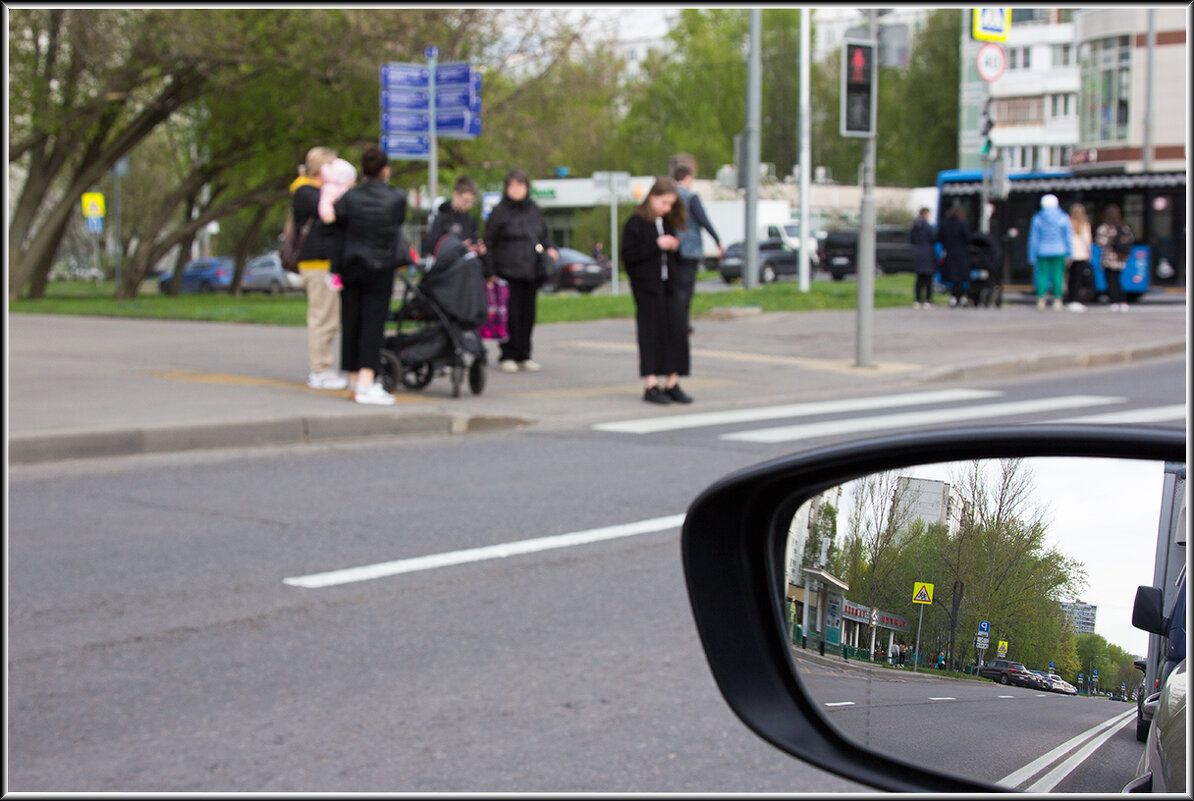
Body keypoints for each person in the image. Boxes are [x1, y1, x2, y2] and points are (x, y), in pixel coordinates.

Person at [324, 145, 407, 406]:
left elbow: (338, 231)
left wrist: (334, 268)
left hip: (351, 265)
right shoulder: (396, 198)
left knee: (351, 321)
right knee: (373, 324)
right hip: (380, 267)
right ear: (385, 170)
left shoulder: (349, 198)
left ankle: (351, 378)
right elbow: (396, 228)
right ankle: (367, 381)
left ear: (362, 170)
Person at [621, 176, 692, 405]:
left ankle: (672, 381)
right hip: (647, 287)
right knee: (650, 333)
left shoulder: (668, 222)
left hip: (670, 284)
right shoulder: (636, 222)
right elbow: (629, 255)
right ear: (652, 198)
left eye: (671, 204)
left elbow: (677, 256)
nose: (667, 208)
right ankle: (650, 384)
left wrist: (673, 246)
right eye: (664, 203)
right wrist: (656, 245)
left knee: (677, 330)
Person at [481, 168, 557, 373]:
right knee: (510, 315)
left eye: (520, 185)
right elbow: (488, 241)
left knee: (527, 315)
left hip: (531, 271)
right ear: (507, 188)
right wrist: (490, 271)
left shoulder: (534, 210)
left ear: (526, 187)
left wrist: (550, 249)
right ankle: (508, 354)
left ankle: (524, 354)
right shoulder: (500, 212)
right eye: (512, 185)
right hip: (507, 271)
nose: (516, 189)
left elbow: (544, 236)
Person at [291, 146, 349, 390]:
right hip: (317, 263)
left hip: (329, 264)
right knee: (322, 316)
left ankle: (324, 366)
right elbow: (333, 209)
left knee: (333, 316)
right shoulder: (306, 191)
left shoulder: (318, 190)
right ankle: (320, 370)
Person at [671, 160, 723, 335]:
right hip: (690, 249)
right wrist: (717, 240)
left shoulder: (669, 196)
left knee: (674, 287)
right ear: (687, 178)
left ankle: (673, 320)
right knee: (686, 289)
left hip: (672, 249)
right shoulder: (690, 198)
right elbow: (703, 220)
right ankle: (682, 322)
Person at [1027, 193, 1072, 310]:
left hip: (1042, 250)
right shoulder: (1063, 217)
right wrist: (1070, 253)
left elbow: (1034, 239)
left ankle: (1041, 299)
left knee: (1042, 275)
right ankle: (1057, 300)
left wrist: (1032, 256)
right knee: (1058, 275)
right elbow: (1068, 237)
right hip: (1060, 250)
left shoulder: (1037, 218)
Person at [424, 175, 486, 258]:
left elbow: (472, 243)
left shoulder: (471, 220)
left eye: (471, 202)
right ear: (456, 194)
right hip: (448, 268)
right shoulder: (442, 216)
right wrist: (459, 247)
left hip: (466, 266)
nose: (468, 205)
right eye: (465, 201)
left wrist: (478, 249)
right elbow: (432, 247)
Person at [1095, 203, 1134, 312]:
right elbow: (1130, 239)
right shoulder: (1124, 227)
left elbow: (1101, 243)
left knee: (1111, 281)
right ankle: (1123, 302)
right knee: (1118, 280)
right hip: (1120, 258)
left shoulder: (1105, 228)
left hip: (1109, 258)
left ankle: (1114, 302)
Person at [935, 203, 972, 307]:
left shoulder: (944, 224)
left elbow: (939, 238)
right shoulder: (962, 224)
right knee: (962, 277)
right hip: (961, 254)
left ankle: (953, 297)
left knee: (952, 276)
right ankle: (962, 297)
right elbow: (968, 238)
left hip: (949, 253)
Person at [1065, 202, 1093, 311]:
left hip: (1070, 256)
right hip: (1082, 255)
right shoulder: (1085, 225)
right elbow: (1087, 241)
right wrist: (1089, 254)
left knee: (1071, 279)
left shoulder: (1067, 224)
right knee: (1079, 279)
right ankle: (1076, 300)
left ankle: (1070, 299)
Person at [909, 207, 937, 309]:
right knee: (928, 279)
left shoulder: (914, 226)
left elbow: (911, 239)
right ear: (925, 214)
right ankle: (928, 299)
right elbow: (934, 237)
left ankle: (917, 299)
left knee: (919, 279)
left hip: (917, 253)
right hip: (928, 253)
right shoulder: (929, 227)